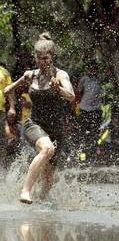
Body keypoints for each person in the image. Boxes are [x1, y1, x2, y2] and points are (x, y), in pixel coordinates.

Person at [3, 33, 75, 204]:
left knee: (48, 178)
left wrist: (59, 90)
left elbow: (71, 96)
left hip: (56, 129)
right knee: (47, 150)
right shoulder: (30, 75)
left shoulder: (61, 75)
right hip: (34, 123)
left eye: (46, 58)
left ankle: (40, 203)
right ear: (35, 58)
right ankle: (25, 191)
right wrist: (9, 94)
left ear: (52, 57)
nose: (43, 61)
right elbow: (9, 89)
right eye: (40, 58)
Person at [77, 61, 103, 161]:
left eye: (95, 69)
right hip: (84, 108)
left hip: (96, 109)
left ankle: (95, 153)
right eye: (91, 68)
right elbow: (79, 91)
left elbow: (107, 75)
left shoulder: (99, 78)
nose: (93, 71)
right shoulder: (84, 79)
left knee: (95, 132)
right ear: (88, 69)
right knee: (83, 132)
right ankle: (81, 154)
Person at [0, 62, 16, 168]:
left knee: (1, 139)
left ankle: (2, 165)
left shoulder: (4, 72)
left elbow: (10, 91)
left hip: (0, 110)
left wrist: (12, 107)